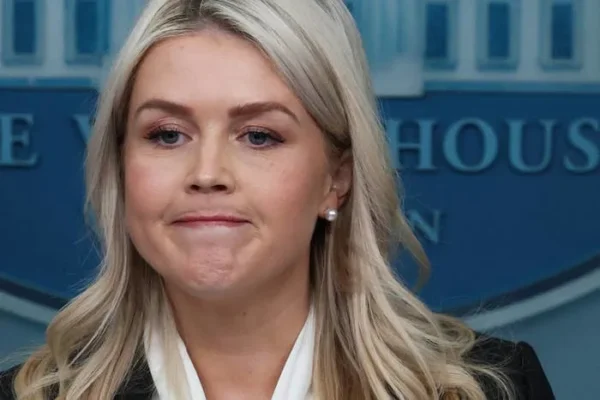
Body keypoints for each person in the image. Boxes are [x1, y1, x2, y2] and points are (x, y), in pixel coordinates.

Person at [0, 0, 555, 399]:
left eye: (259, 135)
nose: (207, 172)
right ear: (120, 170)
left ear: (335, 179)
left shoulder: (493, 387)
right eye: (168, 134)